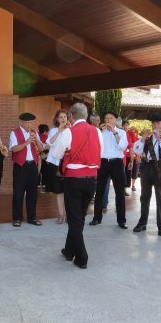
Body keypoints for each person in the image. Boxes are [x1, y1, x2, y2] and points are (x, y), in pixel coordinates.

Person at [50, 103, 103, 269]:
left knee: (74, 219)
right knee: (79, 216)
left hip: (74, 178)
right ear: (86, 116)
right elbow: (99, 153)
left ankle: (82, 257)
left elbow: (56, 153)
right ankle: (69, 250)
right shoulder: (97, 131)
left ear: (71, 117)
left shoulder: (69, 132)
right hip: (92, 178)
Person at [131, 113, 161, 236]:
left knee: (160, 198)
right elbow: (136, 150)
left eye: (158, 123)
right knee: (144, 197)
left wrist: (160, 139)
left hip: (160, 170)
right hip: (146, 169)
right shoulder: (147, 137)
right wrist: (143, 139)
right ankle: (142, 223)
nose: (155, 125)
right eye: (154, 123)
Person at [89, 111, 128, 229]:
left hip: (116, 162)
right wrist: (100, 131)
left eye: (111, 118)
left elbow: (122, 147)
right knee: (99, 191)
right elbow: (94, 147)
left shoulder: (121, 132)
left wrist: (114, 132)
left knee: (120, 192)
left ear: (115, 120)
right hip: (103, 162)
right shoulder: (101, 132)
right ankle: (97, 217)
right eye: (106, 118)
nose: (108, 120)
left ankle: (121, 220)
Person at [9, 112, 45, 227]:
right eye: (28, 122)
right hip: (20, 166)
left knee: (33, 193)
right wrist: (27, 142)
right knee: (18, 193)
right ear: (22, 122)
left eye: (31, 122)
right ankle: (17, 218)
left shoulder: (34, 133)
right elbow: (14, 149)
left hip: (32, 165)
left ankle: (32, 217)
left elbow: (40, 149)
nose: (30, 124)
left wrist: (36, 140)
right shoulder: (14, 133)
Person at [46, 110, 71, 224]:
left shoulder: (71, 130)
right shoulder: (53, 130)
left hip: (68, 164)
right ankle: (60, 215)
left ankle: (68, 215)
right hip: (55, 164)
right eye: (60, 117)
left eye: (65, 116)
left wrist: (67, 130)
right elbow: (49, 143)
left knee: (68, 191)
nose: (63, 119)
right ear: (57, 119)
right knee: (59, 191)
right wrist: (59, 131)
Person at [127, 124, 140, 193]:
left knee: (135, 172)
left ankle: (133, 185)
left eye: (135, 132)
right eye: (132, 131)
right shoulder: (127, 138)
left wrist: (137, 157)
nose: (133, 132)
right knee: (128, 172)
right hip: (128, 157)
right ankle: (126, 186)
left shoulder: (138, 140)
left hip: (135, 158)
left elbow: (139, 150)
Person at [38, 124, 50, 192]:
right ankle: (46, 187)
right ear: (45, 130)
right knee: (46, 172)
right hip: (46, 156)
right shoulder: (47, 137)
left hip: (39, 155)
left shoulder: (38, 136)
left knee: (39, 171)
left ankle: (38, 184)